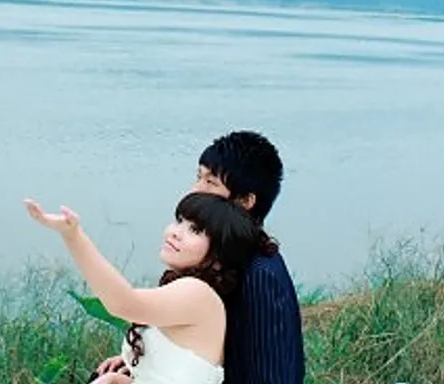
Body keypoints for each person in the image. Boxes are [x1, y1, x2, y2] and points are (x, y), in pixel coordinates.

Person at [94, 130, 305, 383]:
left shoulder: (260, 272)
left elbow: (274, 374)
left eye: (210, 183)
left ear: (245, 201)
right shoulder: (213, 255)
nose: (195, 190)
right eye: (198, 177)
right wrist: (143, 364)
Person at [25, 191, 270, 384]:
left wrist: (73, 236)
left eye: (194, 230)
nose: (175, 233)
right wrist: (119, 379)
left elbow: (124, 304)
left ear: (218, 256)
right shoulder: (187, 291)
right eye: (179, 221)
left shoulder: (198, 294)